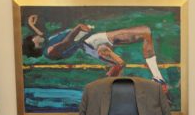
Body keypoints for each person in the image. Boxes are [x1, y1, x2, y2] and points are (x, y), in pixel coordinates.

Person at [22, 14, 169, 93]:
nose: (37, 36)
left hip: (90, 39)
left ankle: (157, 78)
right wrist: (78, 28)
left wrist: (32, 25)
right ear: (36, 46)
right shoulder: (50, 50)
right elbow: (67, 42)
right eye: (35, 38)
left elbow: (42, 35)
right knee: (121, 61)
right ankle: (108, 88)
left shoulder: (45, 41)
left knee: (145, 32)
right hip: (90, 43)